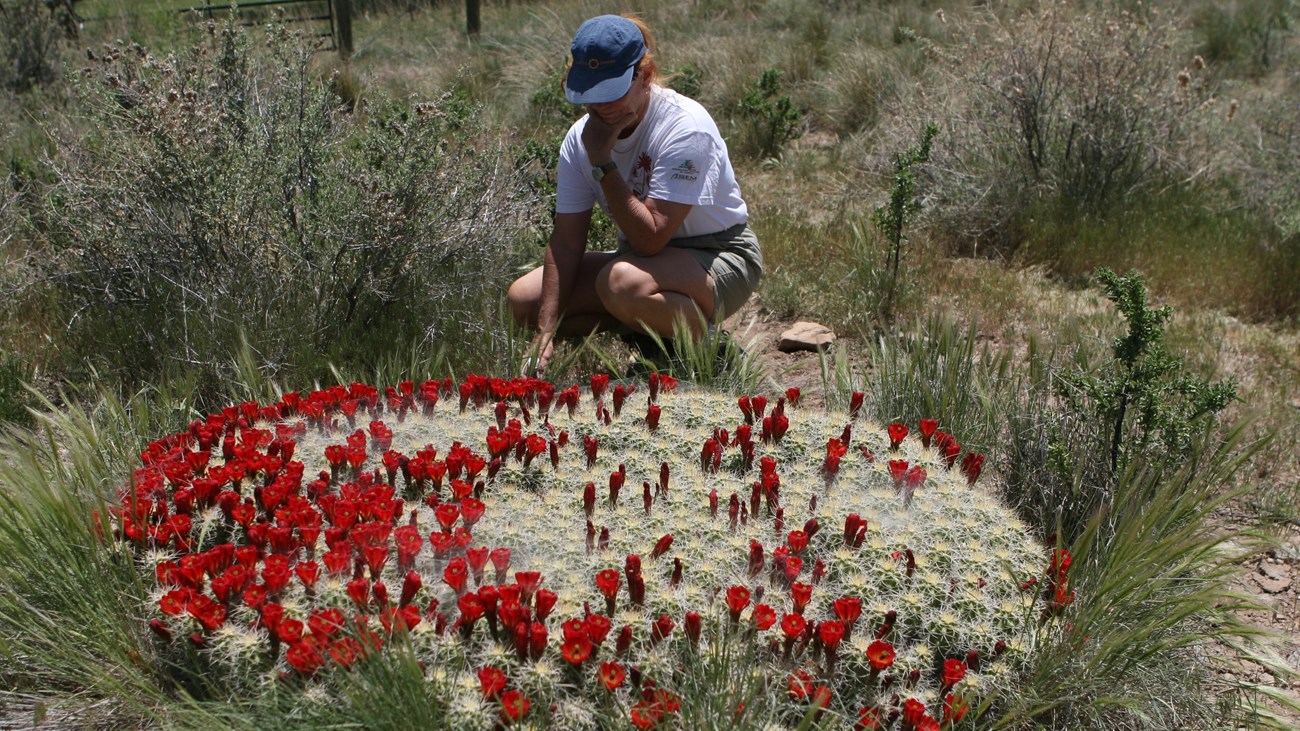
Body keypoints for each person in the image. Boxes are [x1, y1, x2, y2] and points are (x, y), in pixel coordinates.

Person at [507, 14, 762, 374]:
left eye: (612, 91)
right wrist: (545, 333)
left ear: (645, 75)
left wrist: (602, 162)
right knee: (525, 302)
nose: (602, 107)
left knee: (621, 284)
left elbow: (651, 237)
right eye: (591, 93)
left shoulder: (685, 127)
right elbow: (566, 242)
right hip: (640, 262)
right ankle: (649, 335)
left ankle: (714, 353)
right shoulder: (578, 139)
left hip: (718, 253)